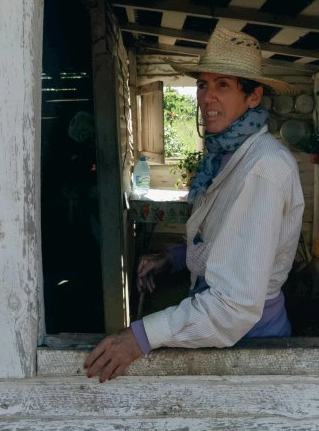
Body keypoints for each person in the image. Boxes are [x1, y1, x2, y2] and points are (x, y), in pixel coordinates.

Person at [84, 28, 305, 382]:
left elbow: (234, 306)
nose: (206, 97)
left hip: (250, 342)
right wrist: (170, 258)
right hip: (228, 335)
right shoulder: (226, 154)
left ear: (253, 96)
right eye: (202, 84)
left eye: (223, 85)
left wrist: (140, 337)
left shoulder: (264, 167)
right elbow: (227, 243)